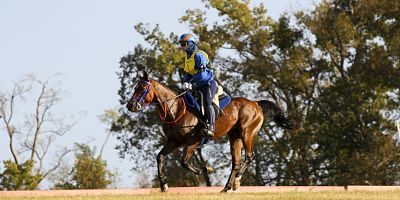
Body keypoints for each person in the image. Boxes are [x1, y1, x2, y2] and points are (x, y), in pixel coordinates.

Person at [178, 33, 217, 137]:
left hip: (207, 83)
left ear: (191, 43)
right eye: (181, 44)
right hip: (196, 85)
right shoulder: (187, 57)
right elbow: (188, 72)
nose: (182, 46)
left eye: (184, 44)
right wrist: (185, 81)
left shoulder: (199, 55)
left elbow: (202, 74)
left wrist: (192, 83)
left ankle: (211, 126)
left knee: (207, 102)